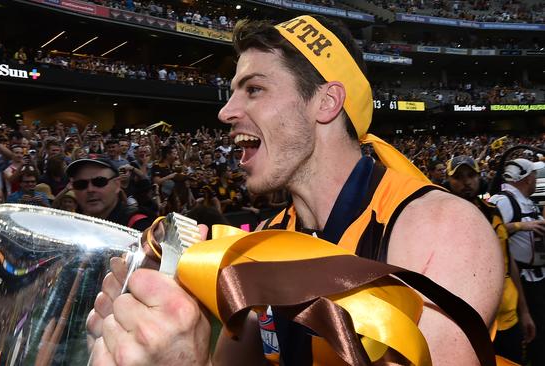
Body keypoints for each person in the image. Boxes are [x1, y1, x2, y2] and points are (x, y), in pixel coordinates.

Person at [88, 15, 503, 365]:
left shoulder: (444, 230)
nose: (225, 111)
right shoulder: (265, 243)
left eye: (254, 89)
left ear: (325, 103)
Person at [447, 155, 535, 362]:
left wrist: (524, 311)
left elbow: (508, 261)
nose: (466, 182)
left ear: (479, 177)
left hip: (508, 318)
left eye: (470, 175)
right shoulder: (444, 219)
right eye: (458, 177)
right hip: (474, 324)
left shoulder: (493, 212)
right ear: (448, 181)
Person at [489, 158, 545, 365]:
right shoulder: (504, 200)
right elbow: (492, 230)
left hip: (535, 275)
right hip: (521, 278)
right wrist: (522, 226)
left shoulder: (523, 199)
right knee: (533, 333)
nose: (535, 180)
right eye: (533, 176)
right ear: (526, 177)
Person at [66, 157, 153, 231]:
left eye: (99, 182)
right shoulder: (69, 226)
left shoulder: (138, 226)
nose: (90, 189)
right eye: (81, 184)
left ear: (117, 185)